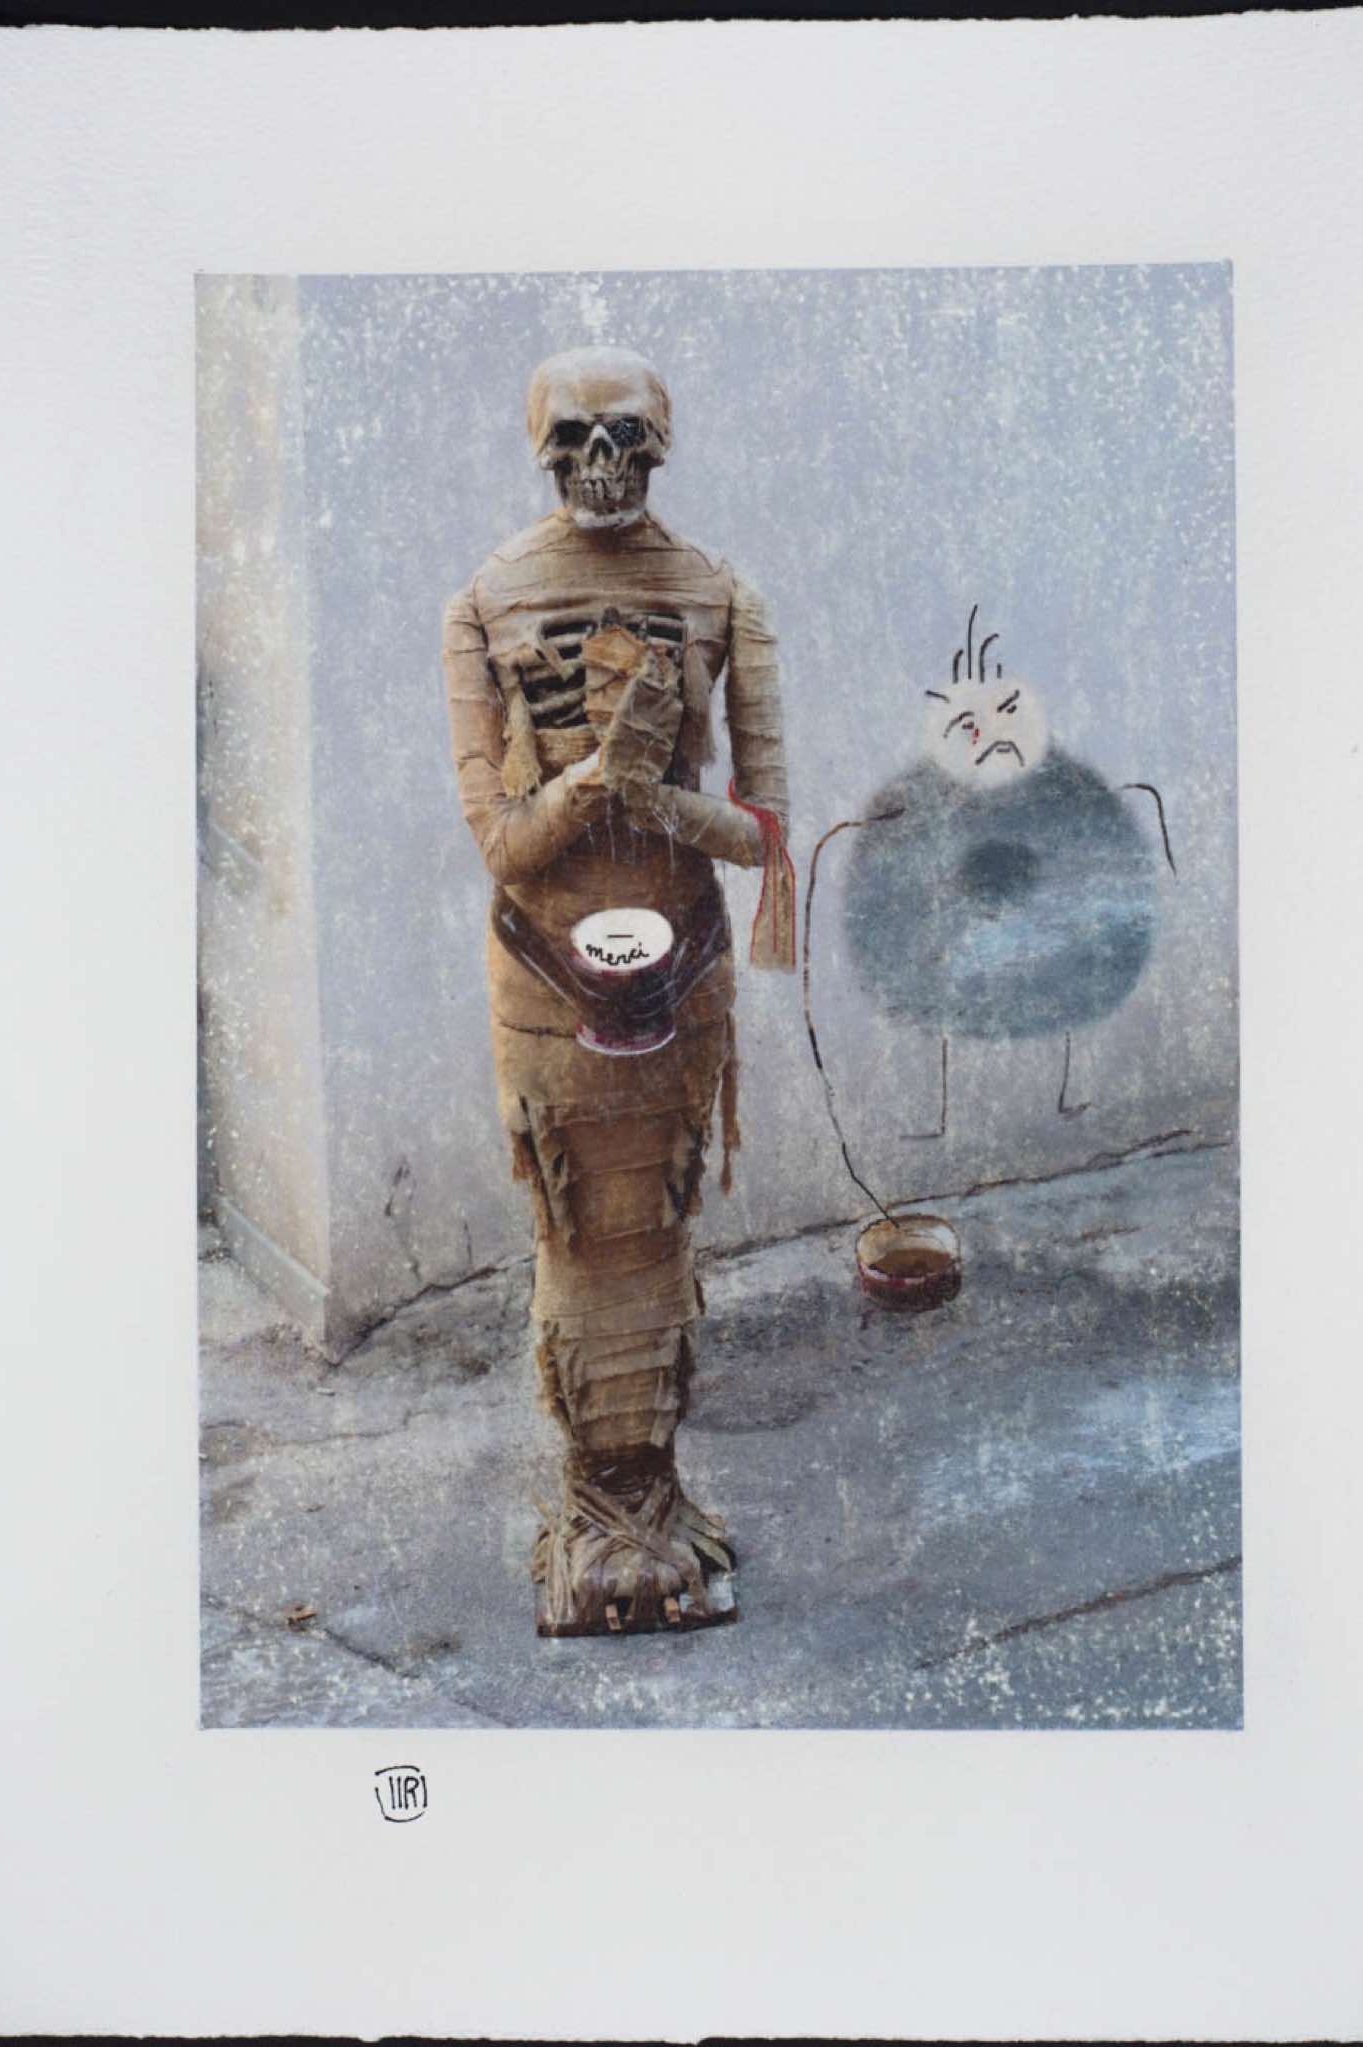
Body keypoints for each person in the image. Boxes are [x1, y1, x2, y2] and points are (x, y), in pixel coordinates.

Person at [443, 346, 792, 1636]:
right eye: (577, 437)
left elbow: (764, 835)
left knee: (658, 1230)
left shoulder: (722, 594)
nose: (603, 464)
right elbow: (501, 842)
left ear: (662, 443)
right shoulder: (483, 605)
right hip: (549, 978)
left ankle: (648, 1504)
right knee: (578, 1234)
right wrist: (594, 781)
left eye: (629, 436)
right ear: (542, 447)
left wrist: (661, 800)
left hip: (682, 972)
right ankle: (602, 1511)